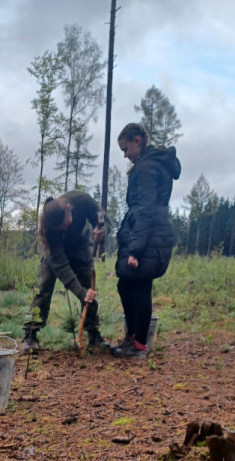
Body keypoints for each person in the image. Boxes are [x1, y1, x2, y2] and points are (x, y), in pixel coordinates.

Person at [110, 123, 181, 359]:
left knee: (139, 287)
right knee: (127, 285)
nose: (125, 155)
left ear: (137, 141)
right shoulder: (149, 164)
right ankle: (133, 338)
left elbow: (146, 210)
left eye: (125, 148)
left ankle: (139, 346)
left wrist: (135, 250)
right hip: (151, 232)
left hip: (149, 235)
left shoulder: (148, 167)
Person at [21, 190, 108, 353]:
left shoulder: (81, 199)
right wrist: (80, 293)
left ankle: (94, 334)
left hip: (81, 247)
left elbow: (101, 217)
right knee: (43, 287)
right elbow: (62, 268)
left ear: (69, 208)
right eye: (61, 229)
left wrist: (101, 229)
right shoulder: (49, 231)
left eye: (66, 224)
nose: (65, 229)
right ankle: (29, 334)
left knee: (89, 287)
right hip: (56, 253)